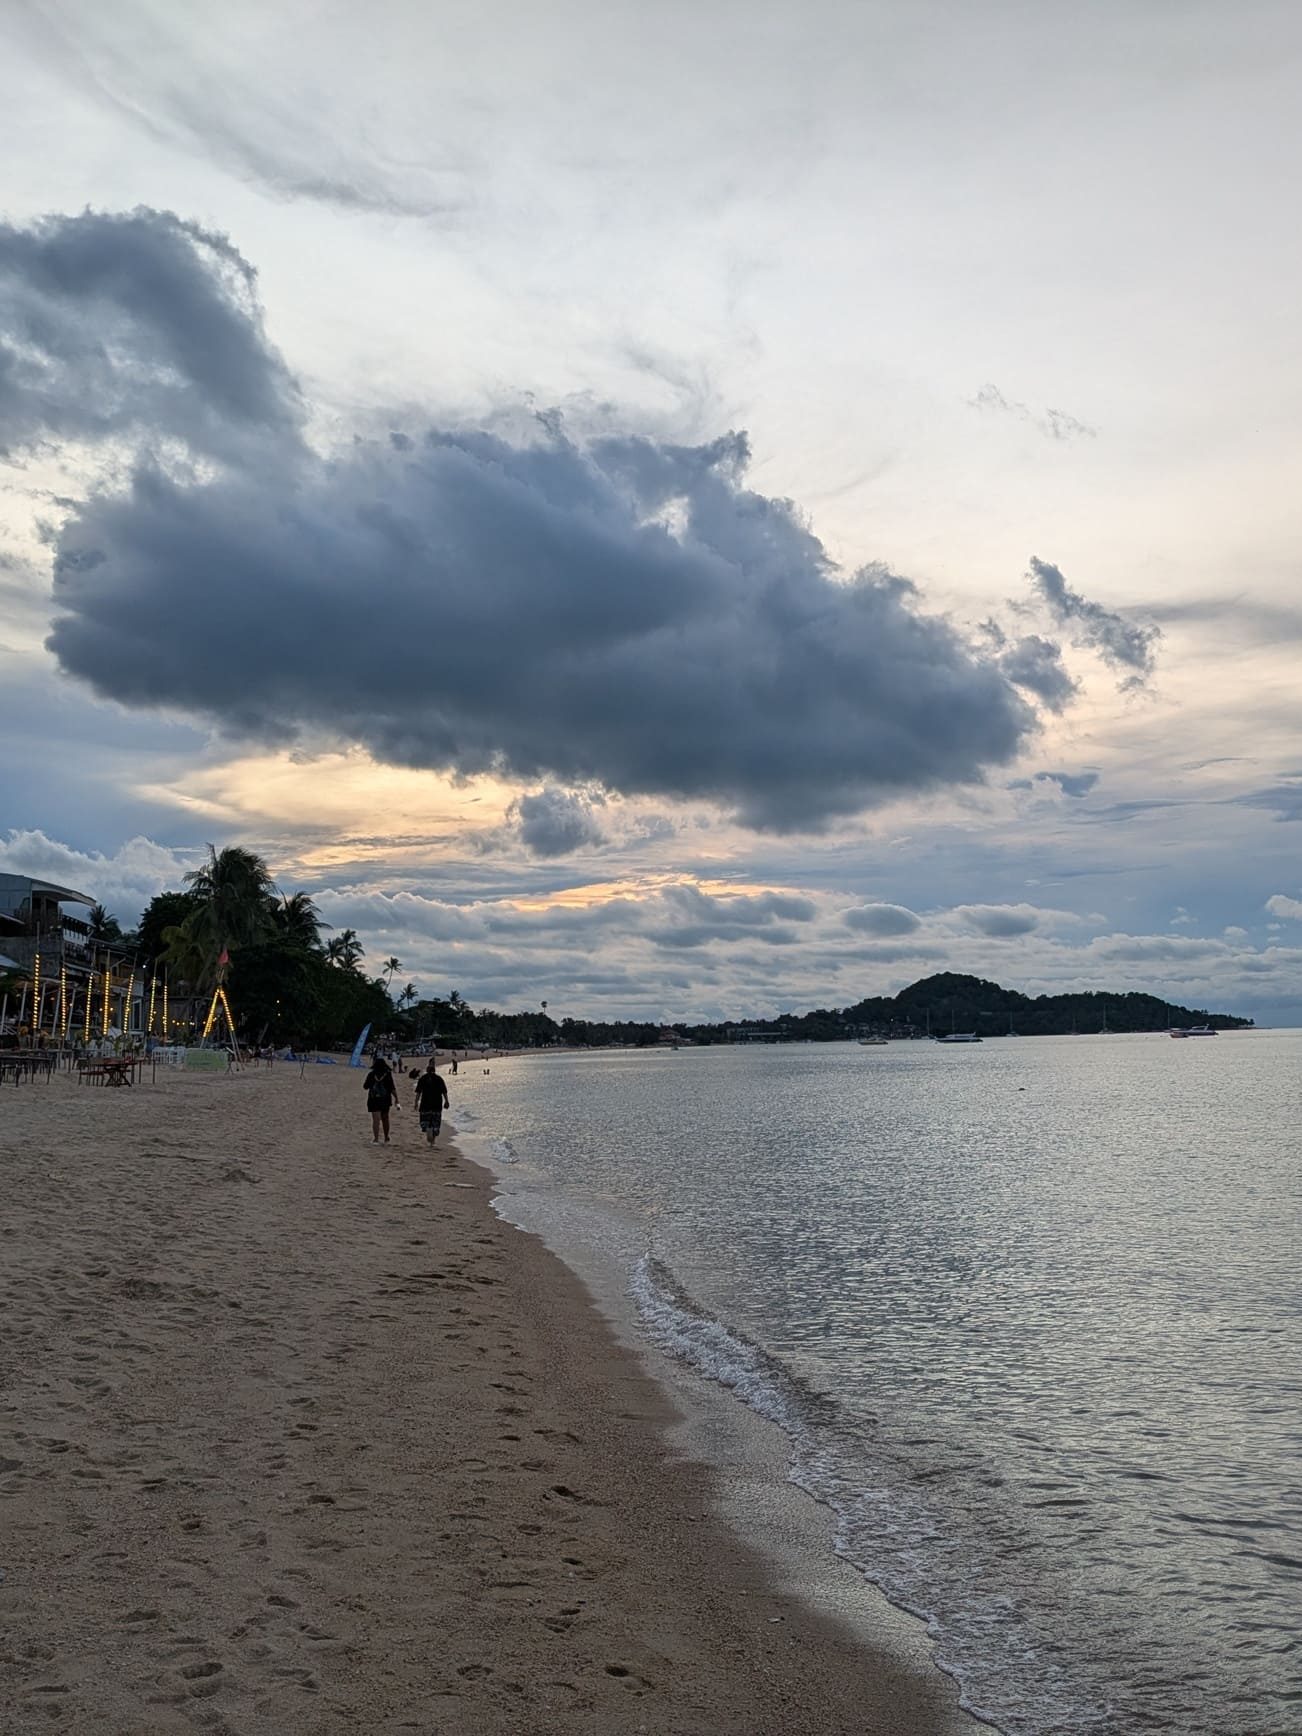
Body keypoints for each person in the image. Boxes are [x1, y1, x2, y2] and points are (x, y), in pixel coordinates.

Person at [413, 1057, 450, 1147]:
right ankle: (433, 1141)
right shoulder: (439, 1079)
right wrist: (446, 1101)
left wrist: (416, 1102)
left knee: (426, 1121)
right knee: (435, 1123)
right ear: (434, 1070)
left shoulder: (423, 1078)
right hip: (436, 1104)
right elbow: (444, 1091)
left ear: (427, 1070)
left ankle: (429, 1133)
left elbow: (418, 1092)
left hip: (425, 1104)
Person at [363, 1054, 400, 1143]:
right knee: (385, 1118)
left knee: (376, 1120)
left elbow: (365, 1086)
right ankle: (386, 1137)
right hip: (385, 1099)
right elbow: (392, 1088)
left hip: (373, 1099)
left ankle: (376, 1139)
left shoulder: (371, 1074)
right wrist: (396, 1099)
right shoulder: (387, 1075)